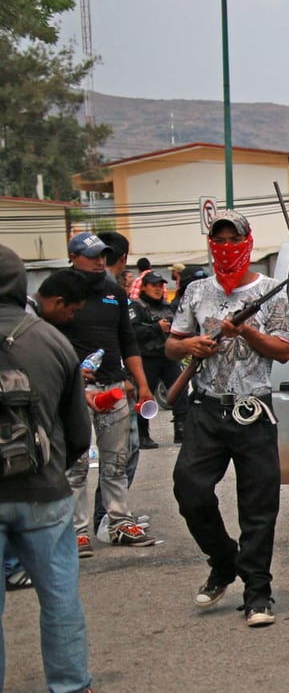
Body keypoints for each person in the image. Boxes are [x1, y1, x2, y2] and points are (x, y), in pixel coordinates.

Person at [167, 210, 289, 628]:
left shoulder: (272, 291)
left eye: (231, 239)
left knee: (258, 504)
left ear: (247, 241)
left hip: (253, 409)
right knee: (190, 490)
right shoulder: (196, 291)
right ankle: (224, 562)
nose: (224, 247)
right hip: (206, 407)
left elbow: (282, 350)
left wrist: (247, 333)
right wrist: (193, 345)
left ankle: (258, 593)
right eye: (217, 239)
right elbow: (172, 344)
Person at [0, 244, 94, 693]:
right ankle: (70, 685)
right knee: (59, 598)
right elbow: (79, 432)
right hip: (45, 492)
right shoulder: (53, 340)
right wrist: (54, 467)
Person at [59, 232, 156, 555]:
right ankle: (76, 532)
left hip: (114, 386)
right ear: (74, 257)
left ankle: (119, 522)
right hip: (75, 390)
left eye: (104, 254)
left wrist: (142, 385)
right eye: (93, 255)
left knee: (116, 460)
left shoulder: (114, 293)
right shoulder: (59, 292)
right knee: (76, 464)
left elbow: (127, 341)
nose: (100, 260)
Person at [130, 271, 187, 448]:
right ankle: (142, 435)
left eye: (159, 285)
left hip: (167, 357)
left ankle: (181, 431)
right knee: (145, 396)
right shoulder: (136, 307)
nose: (157, 289)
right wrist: (156, 327)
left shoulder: (166, 306)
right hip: (147, 360)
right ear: (145, 287)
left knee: (180, 392)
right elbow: (132, 332)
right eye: (153, 285)